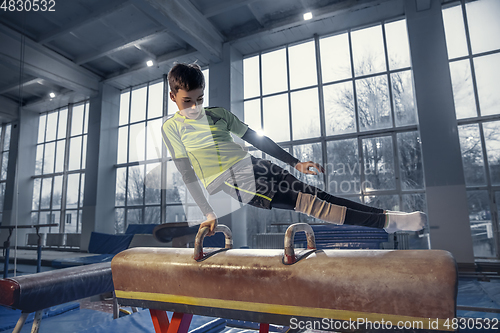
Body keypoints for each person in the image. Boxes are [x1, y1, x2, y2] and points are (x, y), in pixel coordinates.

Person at [162, 63, 426, 236]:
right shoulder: (172, 128)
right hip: (233, 181)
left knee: (320, 195)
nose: (195, 107)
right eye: (187, 101)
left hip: (254, 164)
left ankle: (387, 217)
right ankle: (389, 223)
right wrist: (208, 212)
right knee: (312, 205)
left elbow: (256, 138)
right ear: (173, 97)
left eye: (200, 99)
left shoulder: (219, 114)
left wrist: (295, 162)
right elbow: (187, 174)